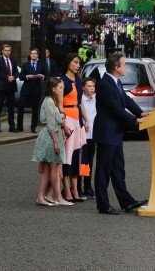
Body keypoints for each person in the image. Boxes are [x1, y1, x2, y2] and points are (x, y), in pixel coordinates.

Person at [93, 53, 149, 215]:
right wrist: (134, 121)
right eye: (123, 65)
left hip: (115, 133)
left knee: (118, 169)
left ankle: (127, 202)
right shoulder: (105, 84)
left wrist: (140, 113)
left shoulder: (115, 82)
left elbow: (126, 99)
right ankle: (103, 205)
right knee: (103, 170)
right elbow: (115, 108)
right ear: (116, 68)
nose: (125, 67)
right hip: (106, 133)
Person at [31, 77, 73, 207]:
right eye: (60, 88)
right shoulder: (49, 102)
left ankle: (43, 196)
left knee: (49, 169)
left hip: (52, 136)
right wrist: (56, 142)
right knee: (53, 168)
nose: (62, 90)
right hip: (50, 137)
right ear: (53, 89)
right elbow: (50, 125)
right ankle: (58, 197)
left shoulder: (51, 101)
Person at [61, 53, 90, 203]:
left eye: (79, 63)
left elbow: (80, 103)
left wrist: (86, 119)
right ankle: (66, 190)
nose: (78, 65)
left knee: (78, 155)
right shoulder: (62, 81)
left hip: (77, 118)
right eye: (75, 62)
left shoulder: (78, 81)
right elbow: (58, 104)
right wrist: (63, 122)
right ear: (68, 63)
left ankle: (75, 189)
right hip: (67, 118)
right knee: (67, 155)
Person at [17, 48, 44, 133]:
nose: (33, 55)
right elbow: (21, 77)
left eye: (35, 53)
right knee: (20, 106)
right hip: (26, 89)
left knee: (35, 109)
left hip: (36, 89)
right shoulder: (25, 65)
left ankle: (33, 127)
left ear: (37, 55)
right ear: (30, 55)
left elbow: (46, 75)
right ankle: (19, 126)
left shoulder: (41, 64)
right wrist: (27, 76)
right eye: (32, 53)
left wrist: (41, 76)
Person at [80, 77, 97, 198]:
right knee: (80, 162)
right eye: (89, 86)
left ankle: (87, 187)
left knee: (89, 163)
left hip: (92, 135)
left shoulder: (96, 100)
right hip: (81, 135)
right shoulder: (80, 100)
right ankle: (77, 187)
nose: (92, 88)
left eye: (93, 86)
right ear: (83, 88)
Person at [0, 44, 20, 133]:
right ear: (2, 51)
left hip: (11, 87)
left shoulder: (13, 61)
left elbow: (16, 72)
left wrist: (13, 77)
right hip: (1, 87)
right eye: (5, 50)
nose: (7, 52)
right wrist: (7, 77)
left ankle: (12, 127)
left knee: (11, 108)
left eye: (8, 50)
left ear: (10, 51)